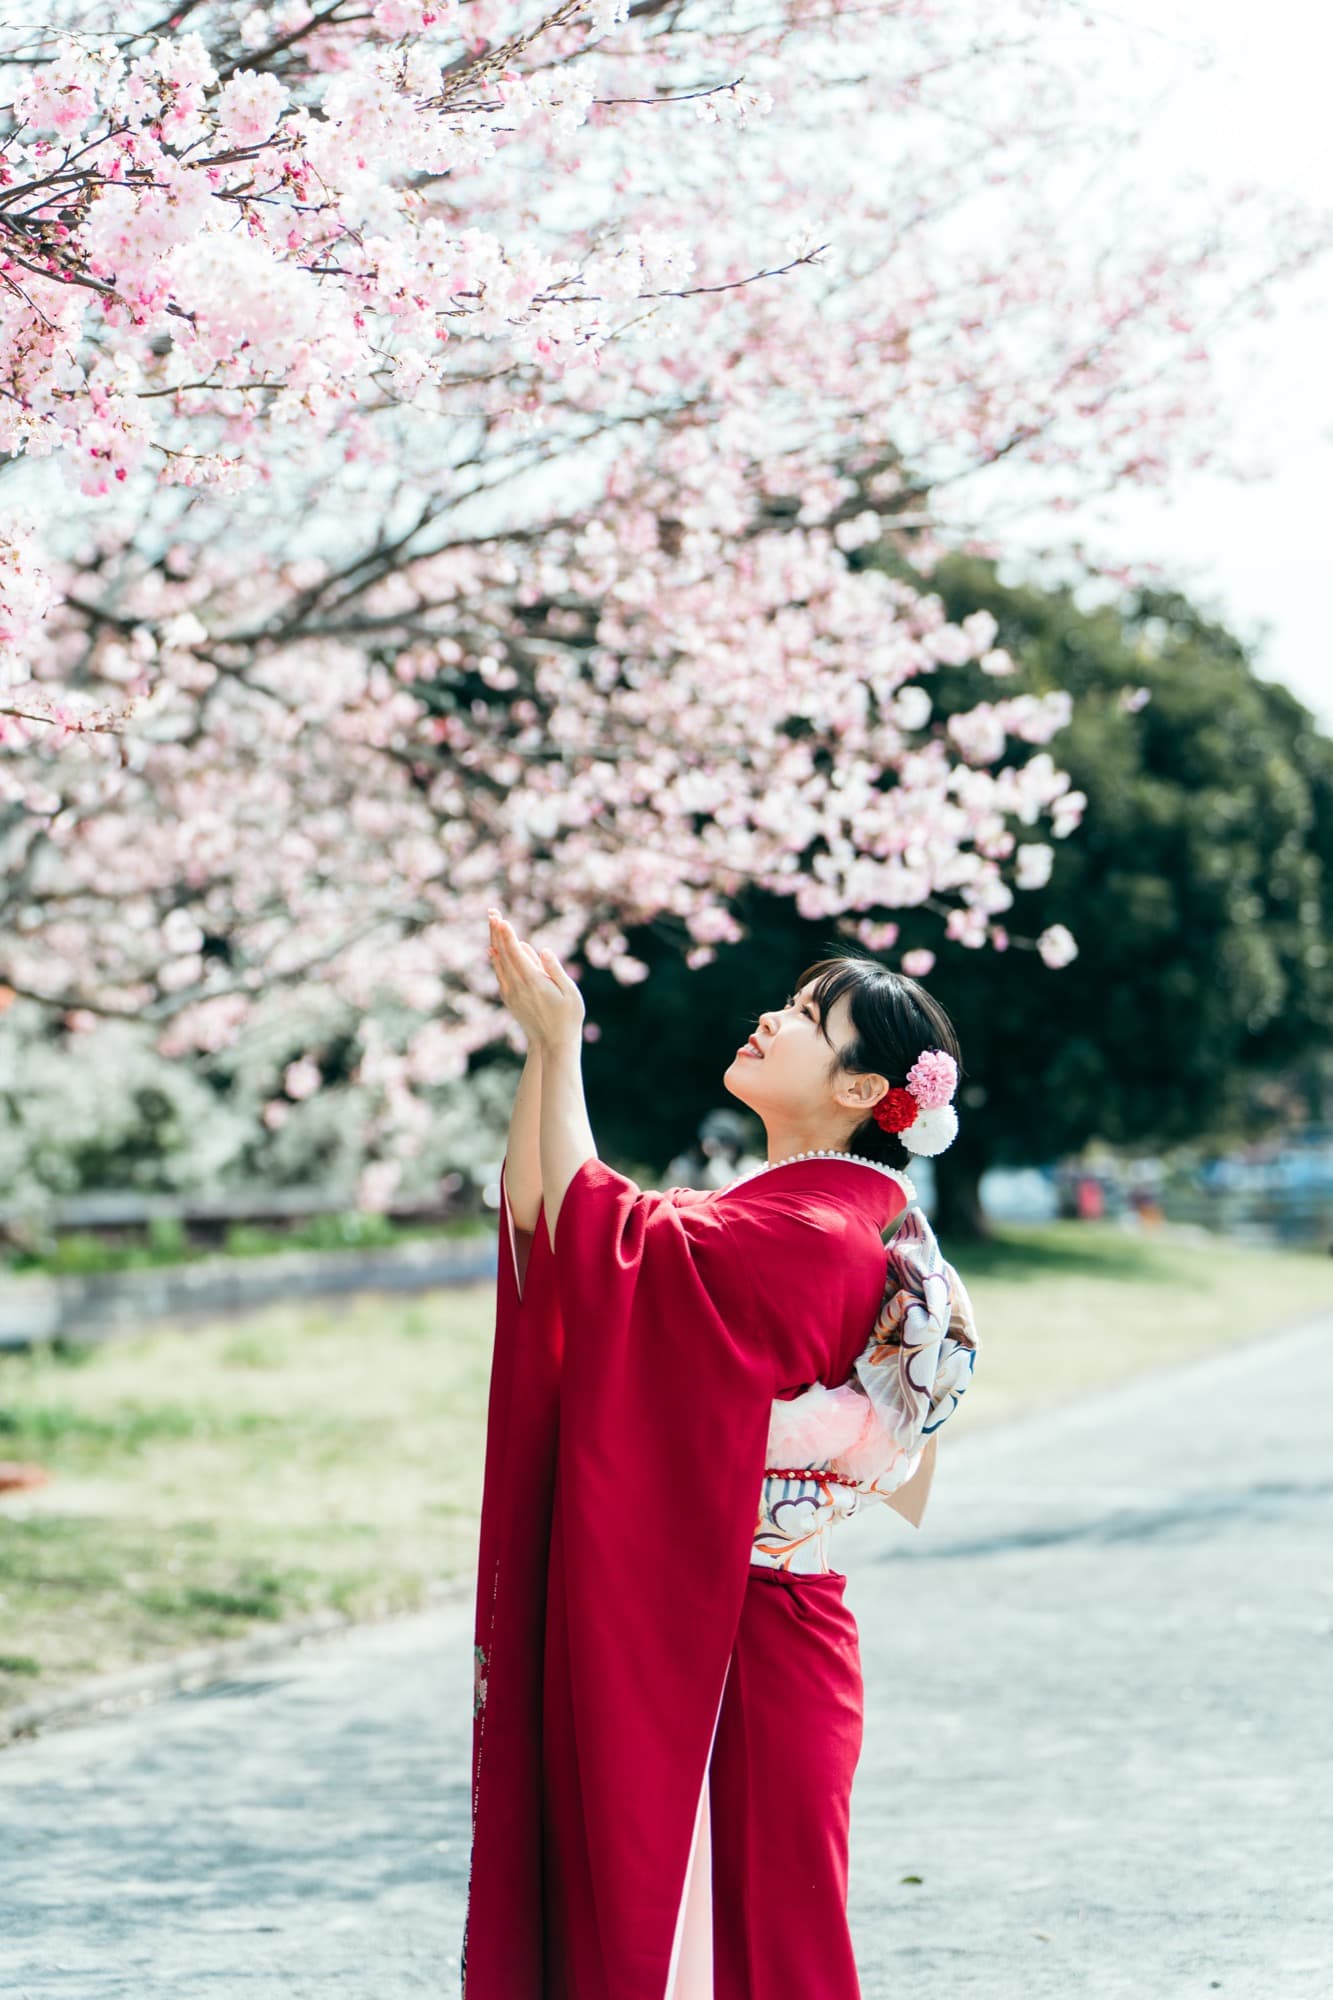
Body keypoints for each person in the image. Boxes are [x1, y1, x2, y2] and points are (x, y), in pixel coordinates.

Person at [466, 909, 980, 2000]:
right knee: (705, 1940)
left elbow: (604, 1236)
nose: (770, 1017)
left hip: (737, 1642)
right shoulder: (796, 1213)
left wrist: (563, 1047)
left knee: (741, 1946)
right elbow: (551, 1220)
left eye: (805, 1016)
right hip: (729, 1620)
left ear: (857, 1089)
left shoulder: (813, 1231)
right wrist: (540, 1052)